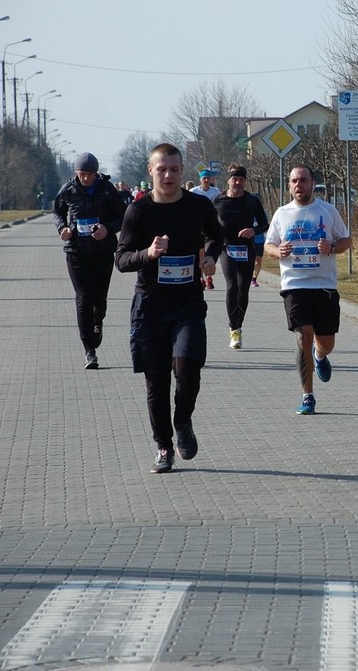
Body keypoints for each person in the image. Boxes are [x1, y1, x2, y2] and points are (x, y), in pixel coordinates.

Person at [115, 143, 224, 473]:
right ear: (151, 171)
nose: (168, 175)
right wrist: (147, 254)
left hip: (187, 302)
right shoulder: (138, 211)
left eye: (174, 169)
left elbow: (216, 236)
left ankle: (183, 420)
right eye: (161, 169)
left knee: (188, 367)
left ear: (181, 171)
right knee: (157, 381)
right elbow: (121, 260)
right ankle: (163, 446)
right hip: (149, 304)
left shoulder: (197, 206)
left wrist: (210, 257)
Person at [264, 165, 352, 415]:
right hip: (294, 284)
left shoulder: (327, 210)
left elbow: (346, 240)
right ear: (289, 185)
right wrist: (278, 251)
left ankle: (320, 356)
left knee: (326, 342)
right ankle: (308, 396)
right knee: (303, 336)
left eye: (303, 180)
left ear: (312, 183)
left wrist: (331, 248)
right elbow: (269, 245)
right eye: (294, 181)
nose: (298, 185)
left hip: (324, 284)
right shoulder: (282, 213)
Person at [53, 152, 128, 369]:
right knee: (84, 297)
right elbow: (57, 212)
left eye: (89, 174)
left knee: (99, 300)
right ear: (76, 173)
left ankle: (98, 321)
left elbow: (123, 216)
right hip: (76, 251)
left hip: (103, 251)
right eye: (82, 174)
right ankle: (89, 350)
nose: (86, 178)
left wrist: (107, 229)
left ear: (96, 173)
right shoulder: (68, 189)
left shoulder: (107, 189)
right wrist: (63, 228)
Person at [212, 164, 269, 350]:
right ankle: (233, 328)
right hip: (226, 248)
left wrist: (253, 230)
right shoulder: (218, 200)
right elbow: (208, 226)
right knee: (232, 286)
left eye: (241, 180)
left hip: (246, 249)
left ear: (245, 181)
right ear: (228, 180)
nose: (238, 183)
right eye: (235, 179)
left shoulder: (251, 200)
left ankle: (239, 324)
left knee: (243, 289)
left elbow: (264, 224)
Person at [194, 170, 221, 289]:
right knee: (200, 254)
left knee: (209, 253)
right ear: (200, 179)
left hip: (211, 226)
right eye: (204, 178)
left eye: (207, 178)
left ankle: (209, 278)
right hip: (198, 226)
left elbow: (220, 207)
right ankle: (201, 278)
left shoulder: (216, 191)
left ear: (210, 179)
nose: (206, 180)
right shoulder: (194, 191)